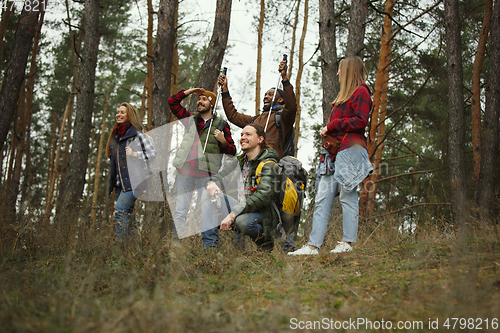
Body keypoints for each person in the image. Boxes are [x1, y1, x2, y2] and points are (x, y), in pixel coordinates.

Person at [288, 56, 373, 255]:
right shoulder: (342, 97)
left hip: (349, 152)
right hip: (331, 156)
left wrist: (332, 126)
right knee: (322, 200)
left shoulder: (362, 92)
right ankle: (312, 246)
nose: (336, 73)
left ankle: (348, 243)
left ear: (349, 71)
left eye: (340, 69)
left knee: (347, 195)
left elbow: (361, 121)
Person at [169, 87, 236, 247]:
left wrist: (223, 141)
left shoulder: (221, 124)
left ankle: (210, 246)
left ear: (211, 104)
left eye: (204, 99)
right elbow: (173, 103)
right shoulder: (191, 119)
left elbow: (232, 151)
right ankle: (176, 246)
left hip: (206, 175)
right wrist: (190, 92)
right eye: (199, 99)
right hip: (186, 171)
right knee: (180, 210)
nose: (200, 102)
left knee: (209, 210)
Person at [202, 123, 282, 249]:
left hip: (263, 214)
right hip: (241, 208)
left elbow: (263, 195)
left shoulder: (269, 163)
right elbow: (219, 177)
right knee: (208, 192)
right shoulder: (239, 162)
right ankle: (210, 247)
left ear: (260, 139)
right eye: (242, 134)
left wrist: (233, 214)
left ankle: (265, 245)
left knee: (243, 221)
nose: (243, 137)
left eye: (248, 134)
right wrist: (211, 183)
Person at [218, 60, 297, 159]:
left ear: (281, 99)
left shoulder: (283, 118)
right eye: (265, 95)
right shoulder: (255, 120)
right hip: (252, 165)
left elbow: (291, 106)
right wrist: (225, 90)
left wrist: (284, 78)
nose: (266, 97)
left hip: (272, 166)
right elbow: (233, 116)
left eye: (271, 94)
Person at [106, 102, 156, 240]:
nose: (118, 114)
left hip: (135, 182)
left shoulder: (138, 136)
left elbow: (152, 154)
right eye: (118, 112)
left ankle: (120, 248)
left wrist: (135, 154)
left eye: (122, 112)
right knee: (129, 215)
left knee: (120, 212)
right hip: (120, 184)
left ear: (130, 115)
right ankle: (134, 250)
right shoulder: (116, 138)